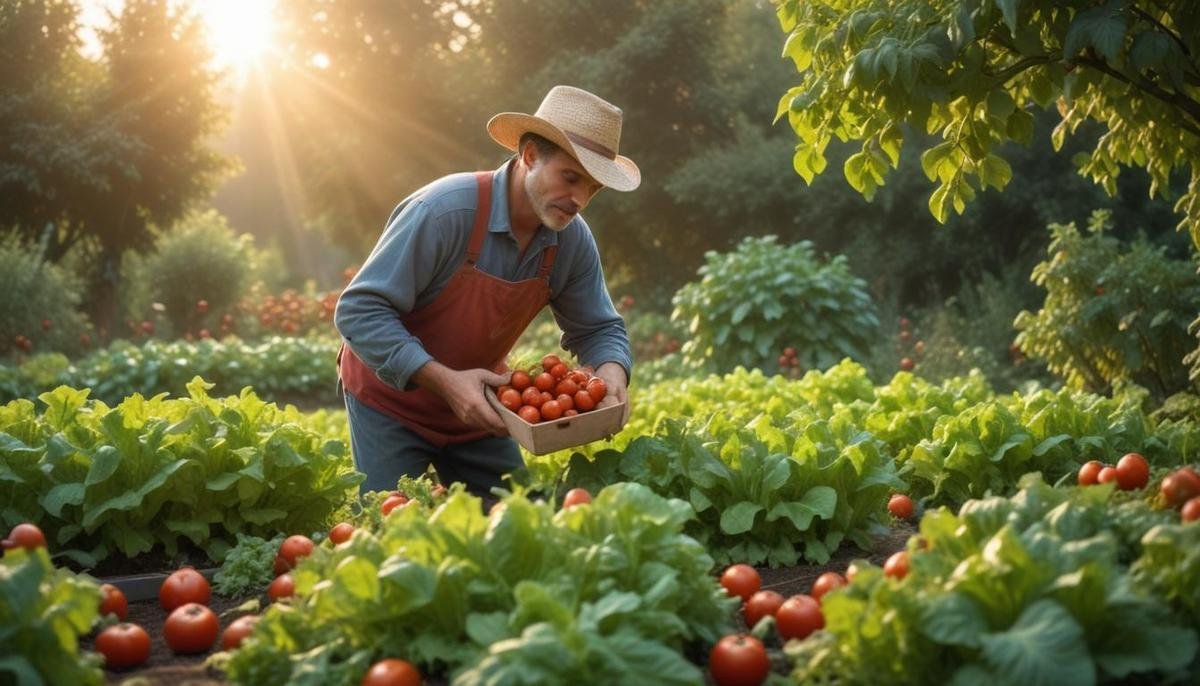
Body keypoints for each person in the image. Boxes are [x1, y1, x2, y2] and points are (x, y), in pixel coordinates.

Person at [334, 85, 637, 497]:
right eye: (570, 177)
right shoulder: (445, 212)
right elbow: (359, 310)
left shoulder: (571, 241)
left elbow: (600, 329)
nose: (580, 198)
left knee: (514, 535)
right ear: (530, 156)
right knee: (391, 538)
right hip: (391, 405)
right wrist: (444, 380)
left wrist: (612, 377)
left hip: (482, 411)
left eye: (593, 188)